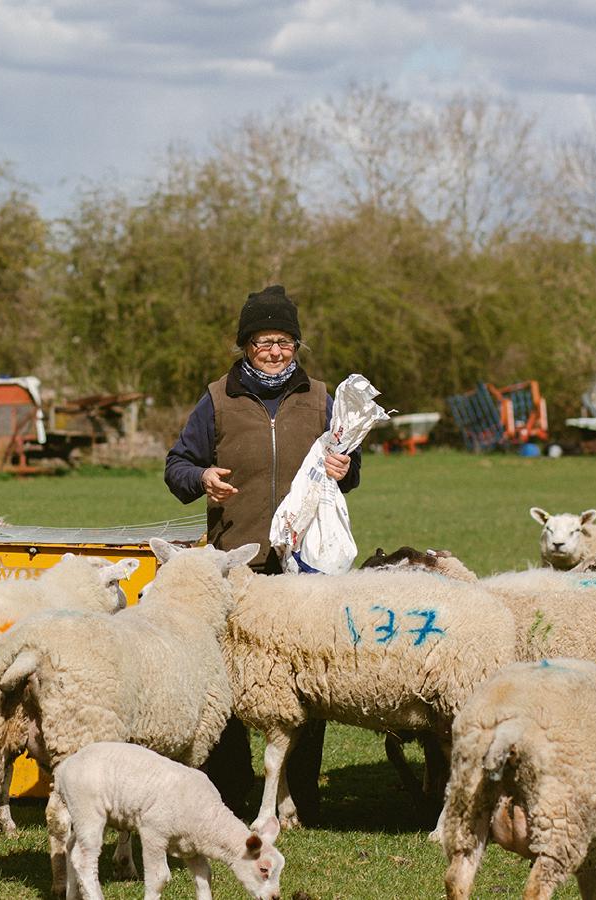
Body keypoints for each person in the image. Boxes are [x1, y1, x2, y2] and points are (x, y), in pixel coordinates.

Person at [164, 284, 360, 821]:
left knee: (307, 678)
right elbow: (176, 465)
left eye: (284, 341)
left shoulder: (320, 397)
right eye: (262, 342)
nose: (274, 352)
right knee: (230, 678)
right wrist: (201, 475)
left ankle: (301, 795)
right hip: (236, 561)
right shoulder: (217, 398)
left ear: (296, 345)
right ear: (244, 346)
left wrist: (346, 469)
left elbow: (348, 465)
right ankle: (229, 792)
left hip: (303, 563)